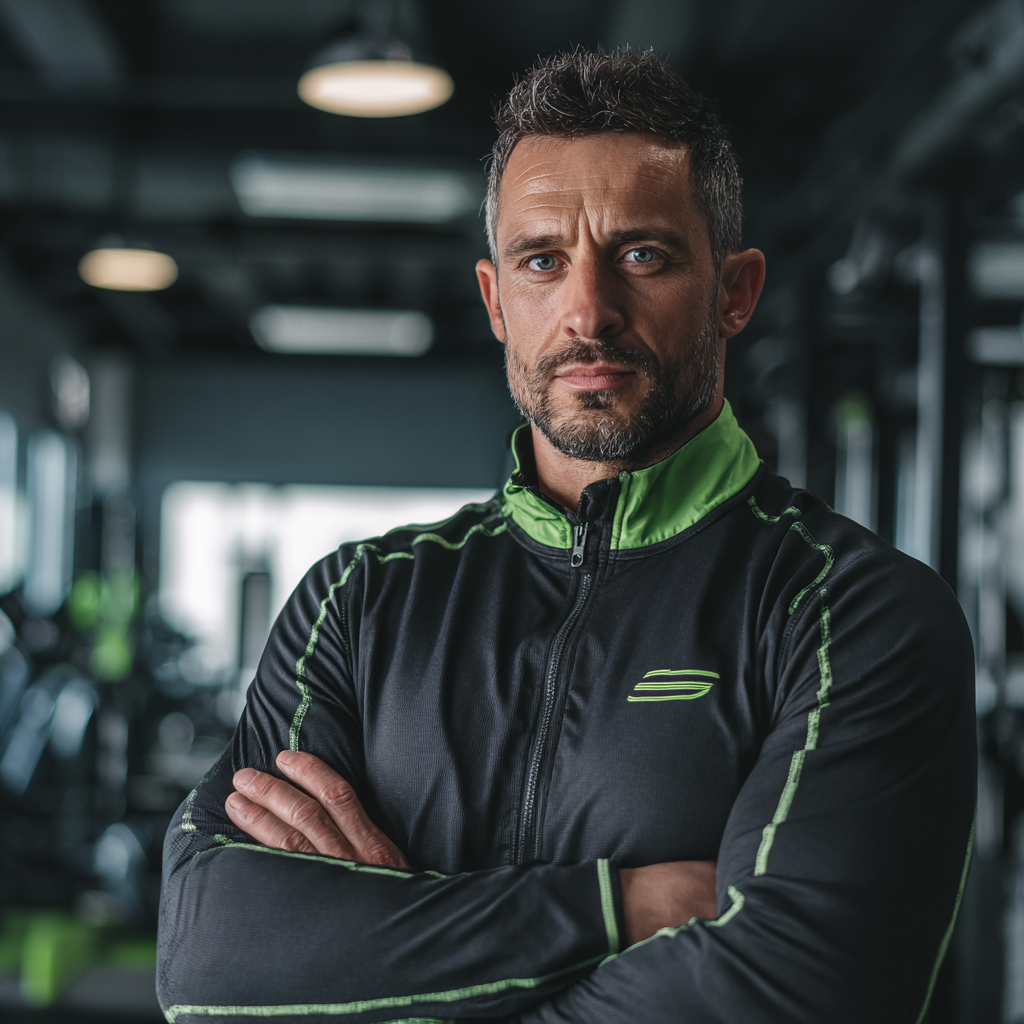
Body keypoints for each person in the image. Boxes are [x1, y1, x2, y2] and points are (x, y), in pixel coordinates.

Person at [157, 49, 976, 1024]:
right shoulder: (361, 602)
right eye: (542, 260)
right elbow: (217, 963)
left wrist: (377, 968)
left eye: (641, 255)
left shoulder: (853, 611)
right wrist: (623, 906)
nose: (588, 313)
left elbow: (789, 993)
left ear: (735, 290)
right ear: (497, 300)